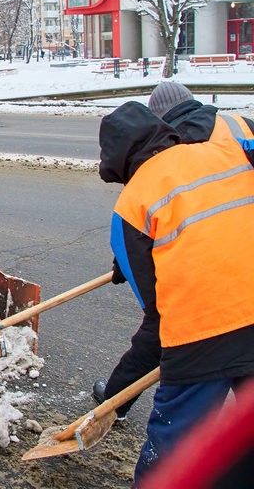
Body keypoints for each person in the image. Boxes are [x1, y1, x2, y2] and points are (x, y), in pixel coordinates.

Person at [98, 101, 254, 484]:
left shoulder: (131, 204)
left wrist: (134, 256)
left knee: (173, 453)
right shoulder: (226, 150)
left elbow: (155, 305)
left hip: (201, 337)